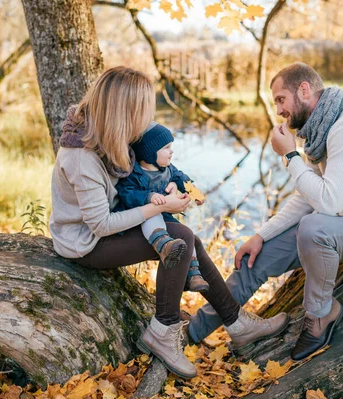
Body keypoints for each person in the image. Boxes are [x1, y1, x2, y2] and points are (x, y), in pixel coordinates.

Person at [49, 66, 289, 379]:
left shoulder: (112, 132)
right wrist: (156, 209)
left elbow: (152, 170)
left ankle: (235, 322)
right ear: (125, 112)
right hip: (86, 243)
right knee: (182, 240)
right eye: (142, 112)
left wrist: (171, 189)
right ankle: (165, 328)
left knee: (189, 238)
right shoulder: (82, 157)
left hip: (112, 224)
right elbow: (101, 225)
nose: (146, 120)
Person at [187, 62, 343, 361]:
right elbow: (308, 198)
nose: (278, 110)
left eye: (281, 99)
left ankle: (321, 314)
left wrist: (291, 156)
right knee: (255, 257)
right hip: (341, 227)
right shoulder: (323, 129)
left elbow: (327, 203)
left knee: (313, 227)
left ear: (304, 90)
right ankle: (189, 333)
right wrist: (260, 235)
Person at [115, 122, 209, 293]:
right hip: (144, 217)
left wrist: (194, 192)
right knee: (153, 217)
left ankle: (194, 273)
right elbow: (126, 193)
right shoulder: (135, 174)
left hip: (165, 215)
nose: (171, 151)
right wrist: (148, 196)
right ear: (150, 153)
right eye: (166, 148)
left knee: (186, 233)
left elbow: (182, 177)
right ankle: (163, 245)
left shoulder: (167, 169)